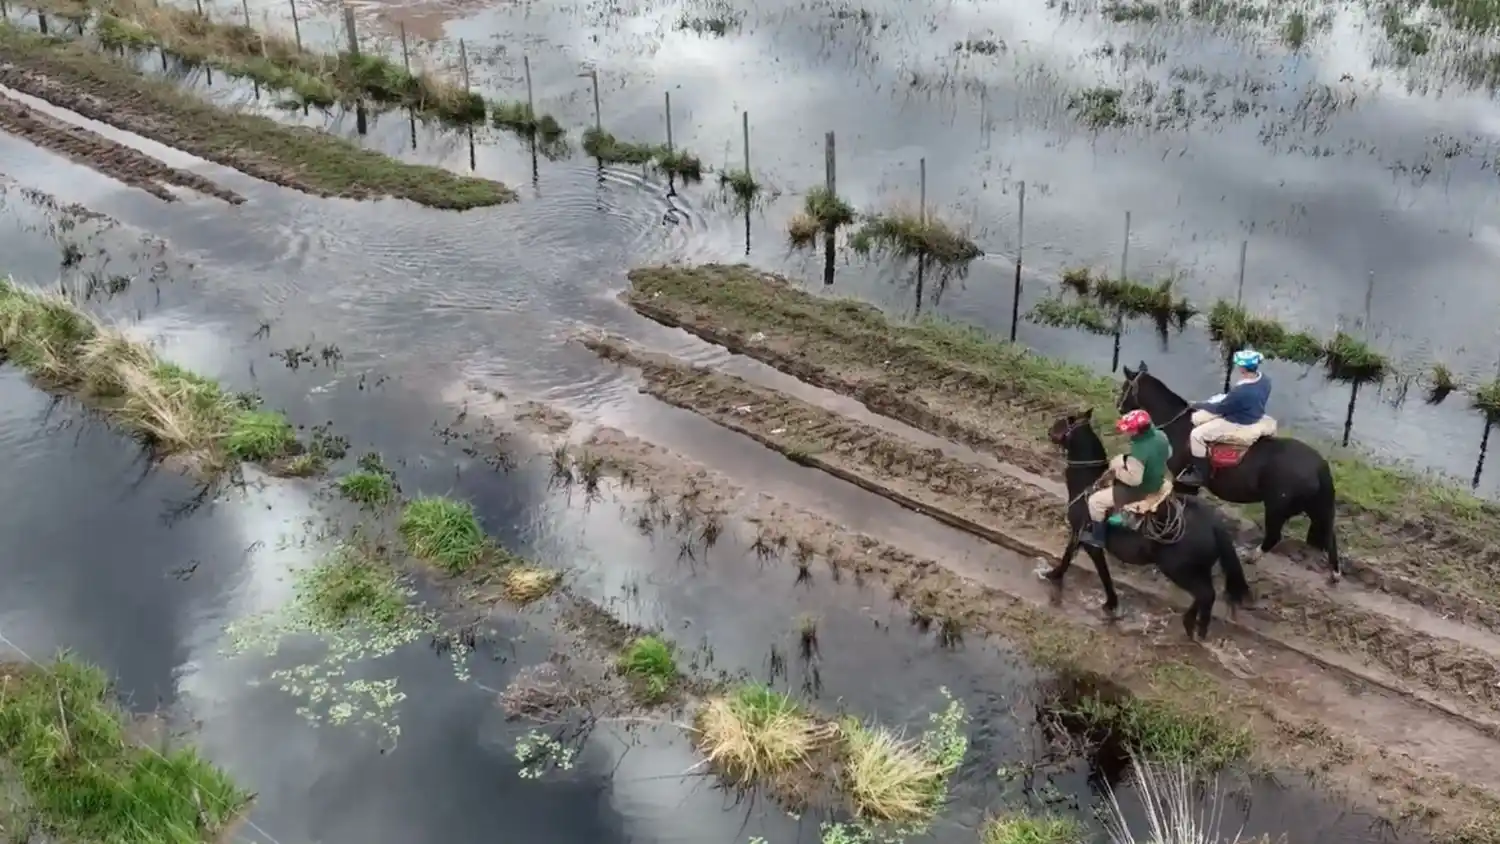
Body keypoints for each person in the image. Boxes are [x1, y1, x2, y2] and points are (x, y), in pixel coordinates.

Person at [1179, 348, 1271, 485]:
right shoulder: (1265, 379)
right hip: (1256, 413)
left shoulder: (1241, 391)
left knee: (1196, 435)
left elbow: (1219, 409)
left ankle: (1200, 474)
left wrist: (1198, 404)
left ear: (1242, 368)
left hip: (1239, 422)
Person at [1083, 409, 1171, 548]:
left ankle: (1098, 538)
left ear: (1137, 431)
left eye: (1129, 430)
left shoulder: (1139, 449)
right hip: (1158, 480)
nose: (1127, 432)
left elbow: (1135, 480)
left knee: (1095, 502)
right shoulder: (1161, 435)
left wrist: (1117, 470)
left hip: (1141, 489)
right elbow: (1169, 453)